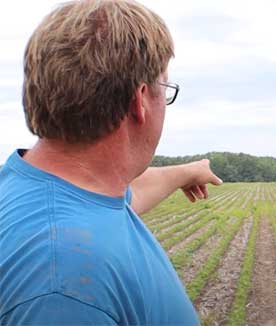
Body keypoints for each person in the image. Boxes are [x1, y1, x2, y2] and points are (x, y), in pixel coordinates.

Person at [0, 0, 222, 324]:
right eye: (166, 88)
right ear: (140, 100)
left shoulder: (37, 188)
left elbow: (125, 195)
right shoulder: (64, 285)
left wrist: (187, 172)